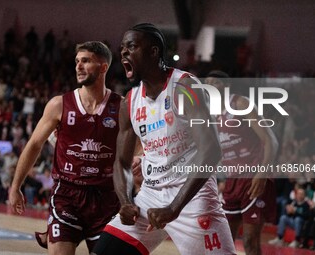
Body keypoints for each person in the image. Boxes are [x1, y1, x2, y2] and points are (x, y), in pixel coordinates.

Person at [91, 23, 236, 255]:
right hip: (151, 194)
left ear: (154, 51)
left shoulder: (185, 86)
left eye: (132, 46)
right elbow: (121, 163)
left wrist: (174, 208)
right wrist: (126, 202)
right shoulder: (130, 101)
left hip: (193, 197)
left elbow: (211, 151)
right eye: (122, 48)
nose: (124, 52)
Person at [9, 41, 123, 255]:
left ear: (103, 67)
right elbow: (34, 144)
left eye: (86, 61)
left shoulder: (122, 106)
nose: (79, 66)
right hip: (67, 194)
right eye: (77, 61)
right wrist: (16, 186)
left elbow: (136, 152)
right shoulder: (59, 104)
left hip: (106, 197)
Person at [205, 70, 279, 255]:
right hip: (232, 180)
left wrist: (262, 173)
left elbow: (271, 141)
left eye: (215, 82)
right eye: (207, 83)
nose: (210, 85)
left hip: (253, 175)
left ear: (226, 86)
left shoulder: (240, 103)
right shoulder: (210, 115)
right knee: (224, 239)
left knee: (249, 241)